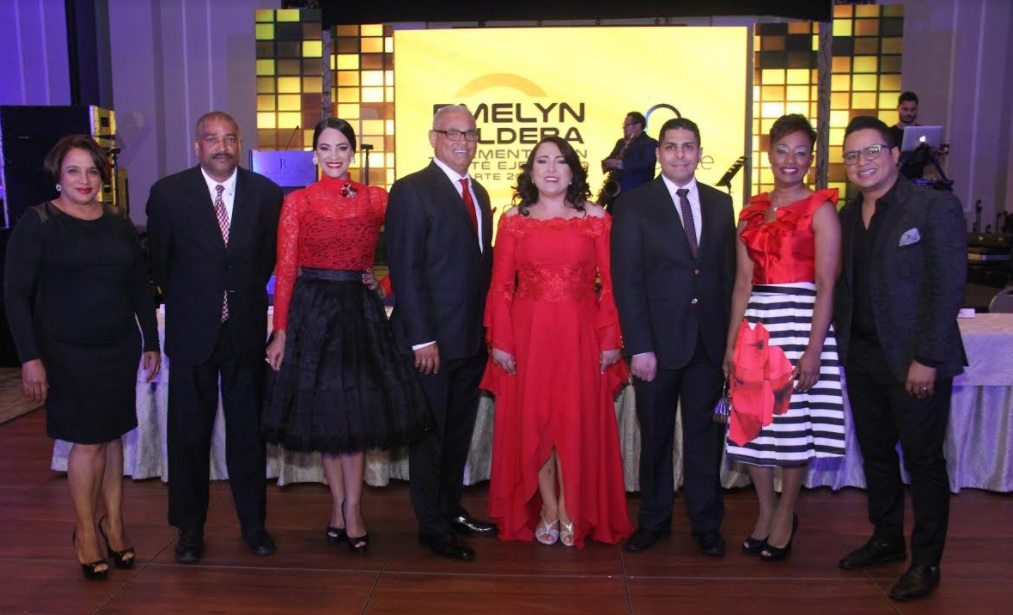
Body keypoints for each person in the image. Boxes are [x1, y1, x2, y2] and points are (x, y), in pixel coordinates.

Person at [261, 118, 430, 553]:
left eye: (341, 147)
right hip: (313, 314)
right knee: (327, 418)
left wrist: (384, 284)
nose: (333, 156)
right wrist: (280, 331)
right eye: (325, 148)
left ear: (353, 153)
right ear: (314, 154)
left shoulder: (376, 198)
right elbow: (285, 270)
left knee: (353, 418)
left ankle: (354, 508)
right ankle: (337, 505)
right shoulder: (298, 202)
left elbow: (410, 250)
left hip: (358, 313)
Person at [4, 135, 160, 580]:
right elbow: (15, 296)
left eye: (92, 170)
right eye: (74, 170)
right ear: (58, 175)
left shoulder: (117, 221)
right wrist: (29, 358)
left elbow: (138, 285)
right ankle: (86, 531)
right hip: (66, 349)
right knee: (88, 440)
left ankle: (115, 524)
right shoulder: (38, 222)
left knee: (112, 438)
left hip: (117, 346)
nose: (84, 179)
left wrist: (150, 340)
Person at [835, 116, 966, 602]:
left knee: (924, 460)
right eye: (852, 156)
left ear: (894, 155)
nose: (862, 162)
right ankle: (886, 537)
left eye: (872, 151)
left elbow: (947, 287)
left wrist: (926, 358)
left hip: (915, 360)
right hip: (863, 357)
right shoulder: (847, 216)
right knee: (876, 455)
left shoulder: (933, 207)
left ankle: (926, 561)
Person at [481, 136, 633, 549]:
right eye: (542, 161)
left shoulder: (597, 218)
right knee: (535, 422)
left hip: (580, 335)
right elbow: (500, 287)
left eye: (560, 161)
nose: (551, 169)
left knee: (572, 422)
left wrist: (610, 339)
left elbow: (612, 286)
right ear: (530, 172)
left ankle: (571, 508)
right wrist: (501, 342)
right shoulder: (513, 220)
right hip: (527, 335)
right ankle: (548, 507)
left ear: (572, 171)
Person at [146, 111, 283, 563]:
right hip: (192, 332)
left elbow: (266, 260)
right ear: (197, 145)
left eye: (229, 138)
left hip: (244, 329)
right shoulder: (168, 194)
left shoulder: (265, 194)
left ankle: (254, 526)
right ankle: (189, 531)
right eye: (211, 139)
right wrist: (198, 299)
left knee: (248, 433)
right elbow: (160, 263)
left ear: (239, 143)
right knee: (188, 434)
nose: (221, 147)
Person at [723, 114, 845, 562]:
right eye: (782, 150)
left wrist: (814, 350)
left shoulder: (821, 209)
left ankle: (787, 512)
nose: (790, 160)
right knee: (752, 425)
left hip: (800, 324)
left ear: (811, 159)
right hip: (756, 325)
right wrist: (731, 345)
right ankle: (767, 511)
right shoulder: (752, 210)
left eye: (800, 152)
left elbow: (827, 285)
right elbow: (742, 283)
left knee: (792, 429)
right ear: (769, 153)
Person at [611, 117, 736, 556]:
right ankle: (654, 521)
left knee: (705, 439)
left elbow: (726, 277)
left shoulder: (721, 204)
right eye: (671, 146)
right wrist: (639, 346)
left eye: (688, 146)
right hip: (656, 348)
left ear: (699, 153)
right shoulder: (633, 205)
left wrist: (729, 345)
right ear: (658, 152)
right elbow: (627, 281)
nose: (680, 154)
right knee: (656, 437)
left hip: (707, 344)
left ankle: (707, 524)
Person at [385, 104, 497, 562]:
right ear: (433, 138)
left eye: (470, 134)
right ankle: (431, 527)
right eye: (453, 133)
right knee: (430, 439)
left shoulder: (480, 193)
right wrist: (421, 338)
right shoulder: (411, 190)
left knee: (457, 434)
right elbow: (406, 269)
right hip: (429, 342)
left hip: (470, 340)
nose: (462, 142)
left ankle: (450, 509)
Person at [599, 111, 658, 213]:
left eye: (627, 125)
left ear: (638, 126)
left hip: (636, 197)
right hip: (614, 194)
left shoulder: (650, 143)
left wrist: (619, 164)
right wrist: (606, 163)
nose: (624, 128)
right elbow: (611, 158)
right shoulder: (621, 142)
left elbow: (646, 164)